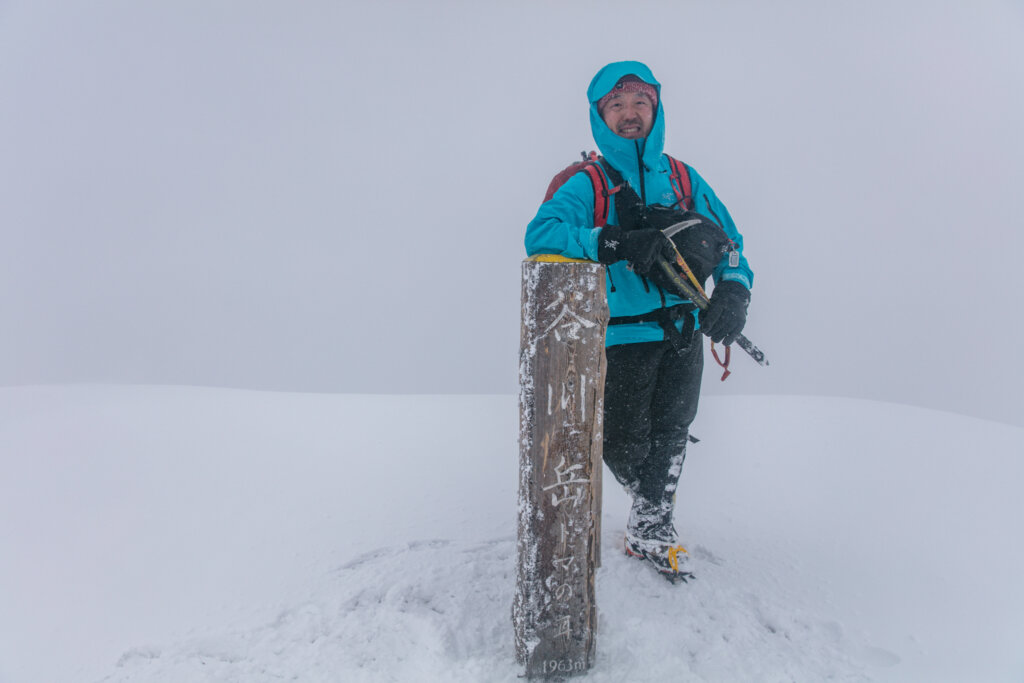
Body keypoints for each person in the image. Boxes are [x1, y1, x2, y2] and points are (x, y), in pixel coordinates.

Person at [525, 61, 754, 583]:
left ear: (656, 110)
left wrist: (735, 291)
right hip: (622, 334)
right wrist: (612, 241)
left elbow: (729, 245)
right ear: (600, 115)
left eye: (639, 104)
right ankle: (649, 508)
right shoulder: (589, 182)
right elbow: (542, 233)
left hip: (684, 331)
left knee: (673, 431)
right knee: (625, 439)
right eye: (617, 106)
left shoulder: (682, 177)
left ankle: (652, 525)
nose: (630, 114)